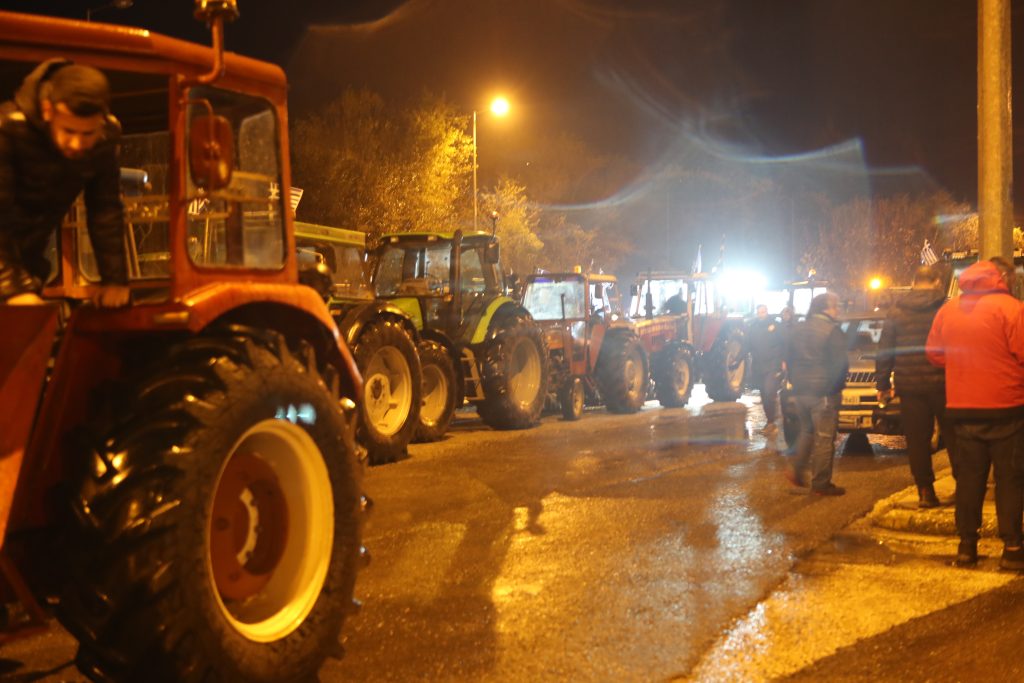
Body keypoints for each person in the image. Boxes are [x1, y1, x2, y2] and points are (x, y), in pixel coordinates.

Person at [0, 59, 129, 307]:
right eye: (69, 131)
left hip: (28, 262)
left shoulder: (106, 136)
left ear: (101, 120)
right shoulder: (7, 129)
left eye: (87, 133)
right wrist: (12, 289)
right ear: (48, 110)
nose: (77, 144)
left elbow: (106, 209)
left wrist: (115, 281)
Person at [926, 259, 1024, 569]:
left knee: (969, 480)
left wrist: (964, 366)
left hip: (963, 408)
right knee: (1010, 479)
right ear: (1001, 278)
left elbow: (935, 354)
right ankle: (1011, 549)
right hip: (1007, 408)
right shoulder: (1011, 308)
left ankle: (967, 547)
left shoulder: (948, 310)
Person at [875, 265, 956, 509]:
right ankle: (964, 486)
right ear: (937, 281)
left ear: (913, 282)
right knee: (954, 435)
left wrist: (882, 384)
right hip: (944, 381)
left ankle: (925, 491)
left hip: (909, 385)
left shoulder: (896, 311)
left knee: (917, 439)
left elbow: (885, 350)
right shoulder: (948, 306)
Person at [785, 292, 848, 495]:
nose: (837, 310)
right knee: (823, 438)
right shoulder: (832, 331)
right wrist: (835, 389)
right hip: (823, 393)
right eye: (835, 306)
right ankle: (821, 484)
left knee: (807, 431)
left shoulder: (798, 329)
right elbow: (840, 365)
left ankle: (797, 470)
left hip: (800, 390)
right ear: (825, 309)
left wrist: (795, 382)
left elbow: (789, 359)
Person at [748, 304, 785, 434]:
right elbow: (748, 345)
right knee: (764, 394)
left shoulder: (776, 326)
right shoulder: (753, 328)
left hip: (773, 365)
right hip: (759, 366)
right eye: (759, 312)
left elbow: (784, 343)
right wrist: (736, 360)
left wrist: (783, 361)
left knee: (770, 391)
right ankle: (770, 420)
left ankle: (772, 421)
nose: (761, 314)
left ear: (767, 312)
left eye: (763, 312)